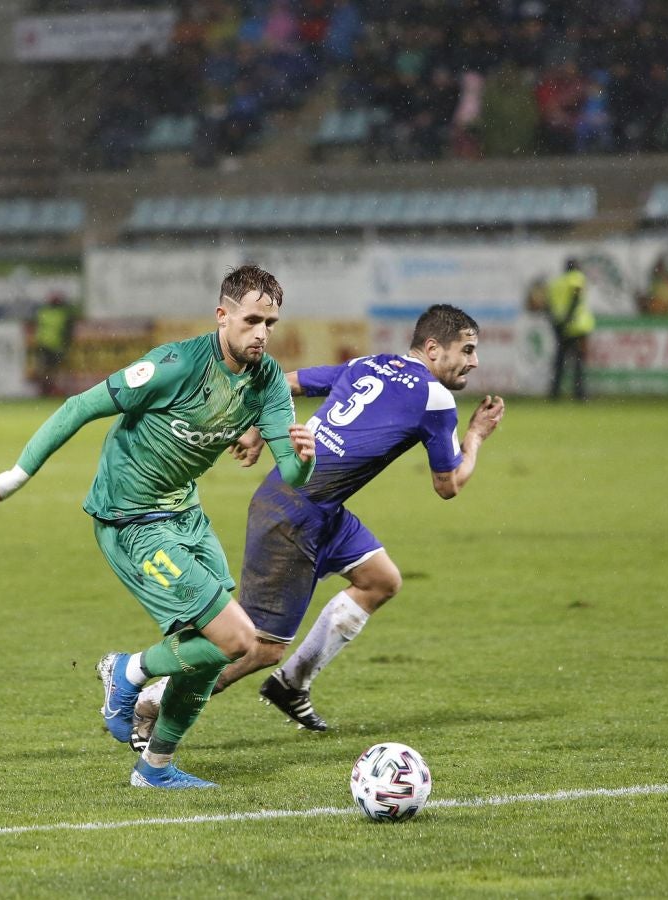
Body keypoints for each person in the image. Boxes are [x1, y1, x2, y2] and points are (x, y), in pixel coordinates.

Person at [0, 264, 315, 789]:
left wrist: (304, 458)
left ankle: (155, 768)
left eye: (271, 322)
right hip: (130, 520)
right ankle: (126, 670)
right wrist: (14, 478)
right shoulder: (173, 365)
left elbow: (290, 470)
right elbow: (79, 406)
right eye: (251, 319)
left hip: (185, 517)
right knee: (237, 640)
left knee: (206, 653)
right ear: (222, 316)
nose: (262, 332)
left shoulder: (266, 382)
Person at [131, 305, 505, 746]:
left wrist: (254, 425)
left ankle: (292, 685)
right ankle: (155, 700)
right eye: (467, 349)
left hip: (319, 506)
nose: (474, 362)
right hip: (295, 514)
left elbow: (284, 380)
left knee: (379, 580)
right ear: (432, 349)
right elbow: (449, 485)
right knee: (259, 646)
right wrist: (476, 436)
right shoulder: (436, 398)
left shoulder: (372, 363)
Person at [546, 257, 594, 401]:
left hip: (560, 327)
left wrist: (558, 323)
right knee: (578, 363)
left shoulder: (556, 283)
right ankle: (579, 394)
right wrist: (568, 319)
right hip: (578, 327)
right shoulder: (577, 278)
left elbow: (549, 305)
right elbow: (575, 299)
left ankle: (554, 393)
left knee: (560, 362)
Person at [31, 292, 77, 396]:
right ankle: (52, 389)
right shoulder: (63, 314)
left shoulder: (43, 312)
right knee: (55, 371)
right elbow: (68, 331)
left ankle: (45, 389)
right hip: (56, 346)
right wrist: (67, 345)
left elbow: (38, 327)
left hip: (43, 345)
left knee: (45, 370)